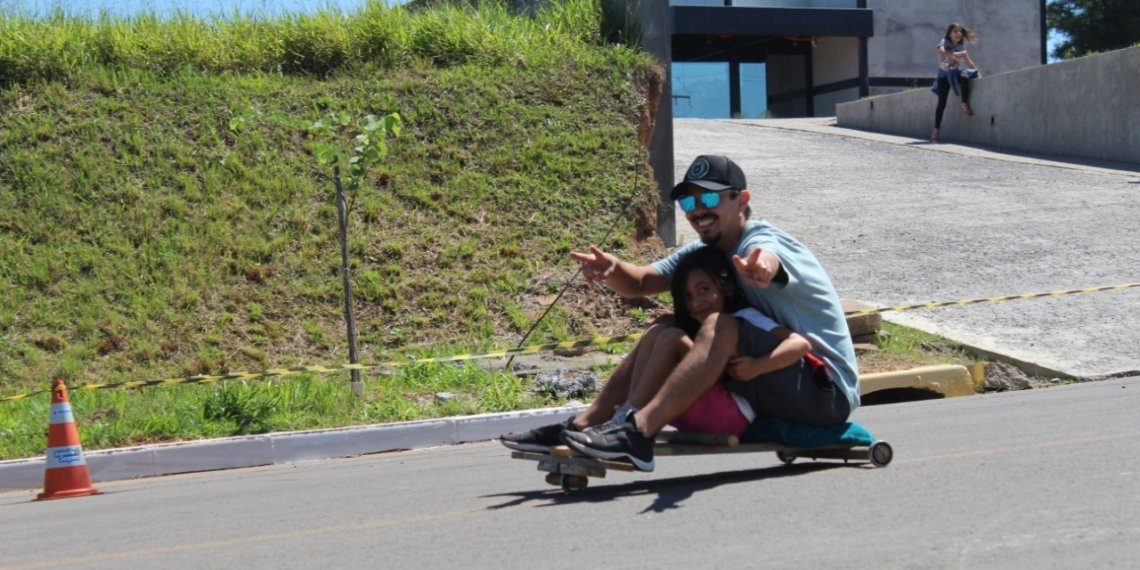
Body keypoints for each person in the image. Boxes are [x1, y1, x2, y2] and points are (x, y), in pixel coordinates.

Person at [500, 154, 860, 471]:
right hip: (770, 380)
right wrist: (612, 268)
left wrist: (762, 266)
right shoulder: (709, 255)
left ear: (741, 200)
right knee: (666, 325)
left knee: (718, 324)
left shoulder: (760, 241)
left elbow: (769, 255)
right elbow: (642, 282)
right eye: (688, 202)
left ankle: (639, 431)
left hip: (824, 389)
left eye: (709, 198)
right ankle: (584, 424)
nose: (698, 210)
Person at [930, 23, 979, 142]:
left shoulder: (960, 47)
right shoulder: (944, 41)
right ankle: (936, 130)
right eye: (955, 31)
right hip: (943, 76)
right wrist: (958, 54)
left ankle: (964, 104)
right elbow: (942, 52)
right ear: (950, 33)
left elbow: (969, 63)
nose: (958, 33)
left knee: (966, 76)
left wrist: (976, 71)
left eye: (960, 31)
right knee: (942, 102)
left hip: (955, 73)